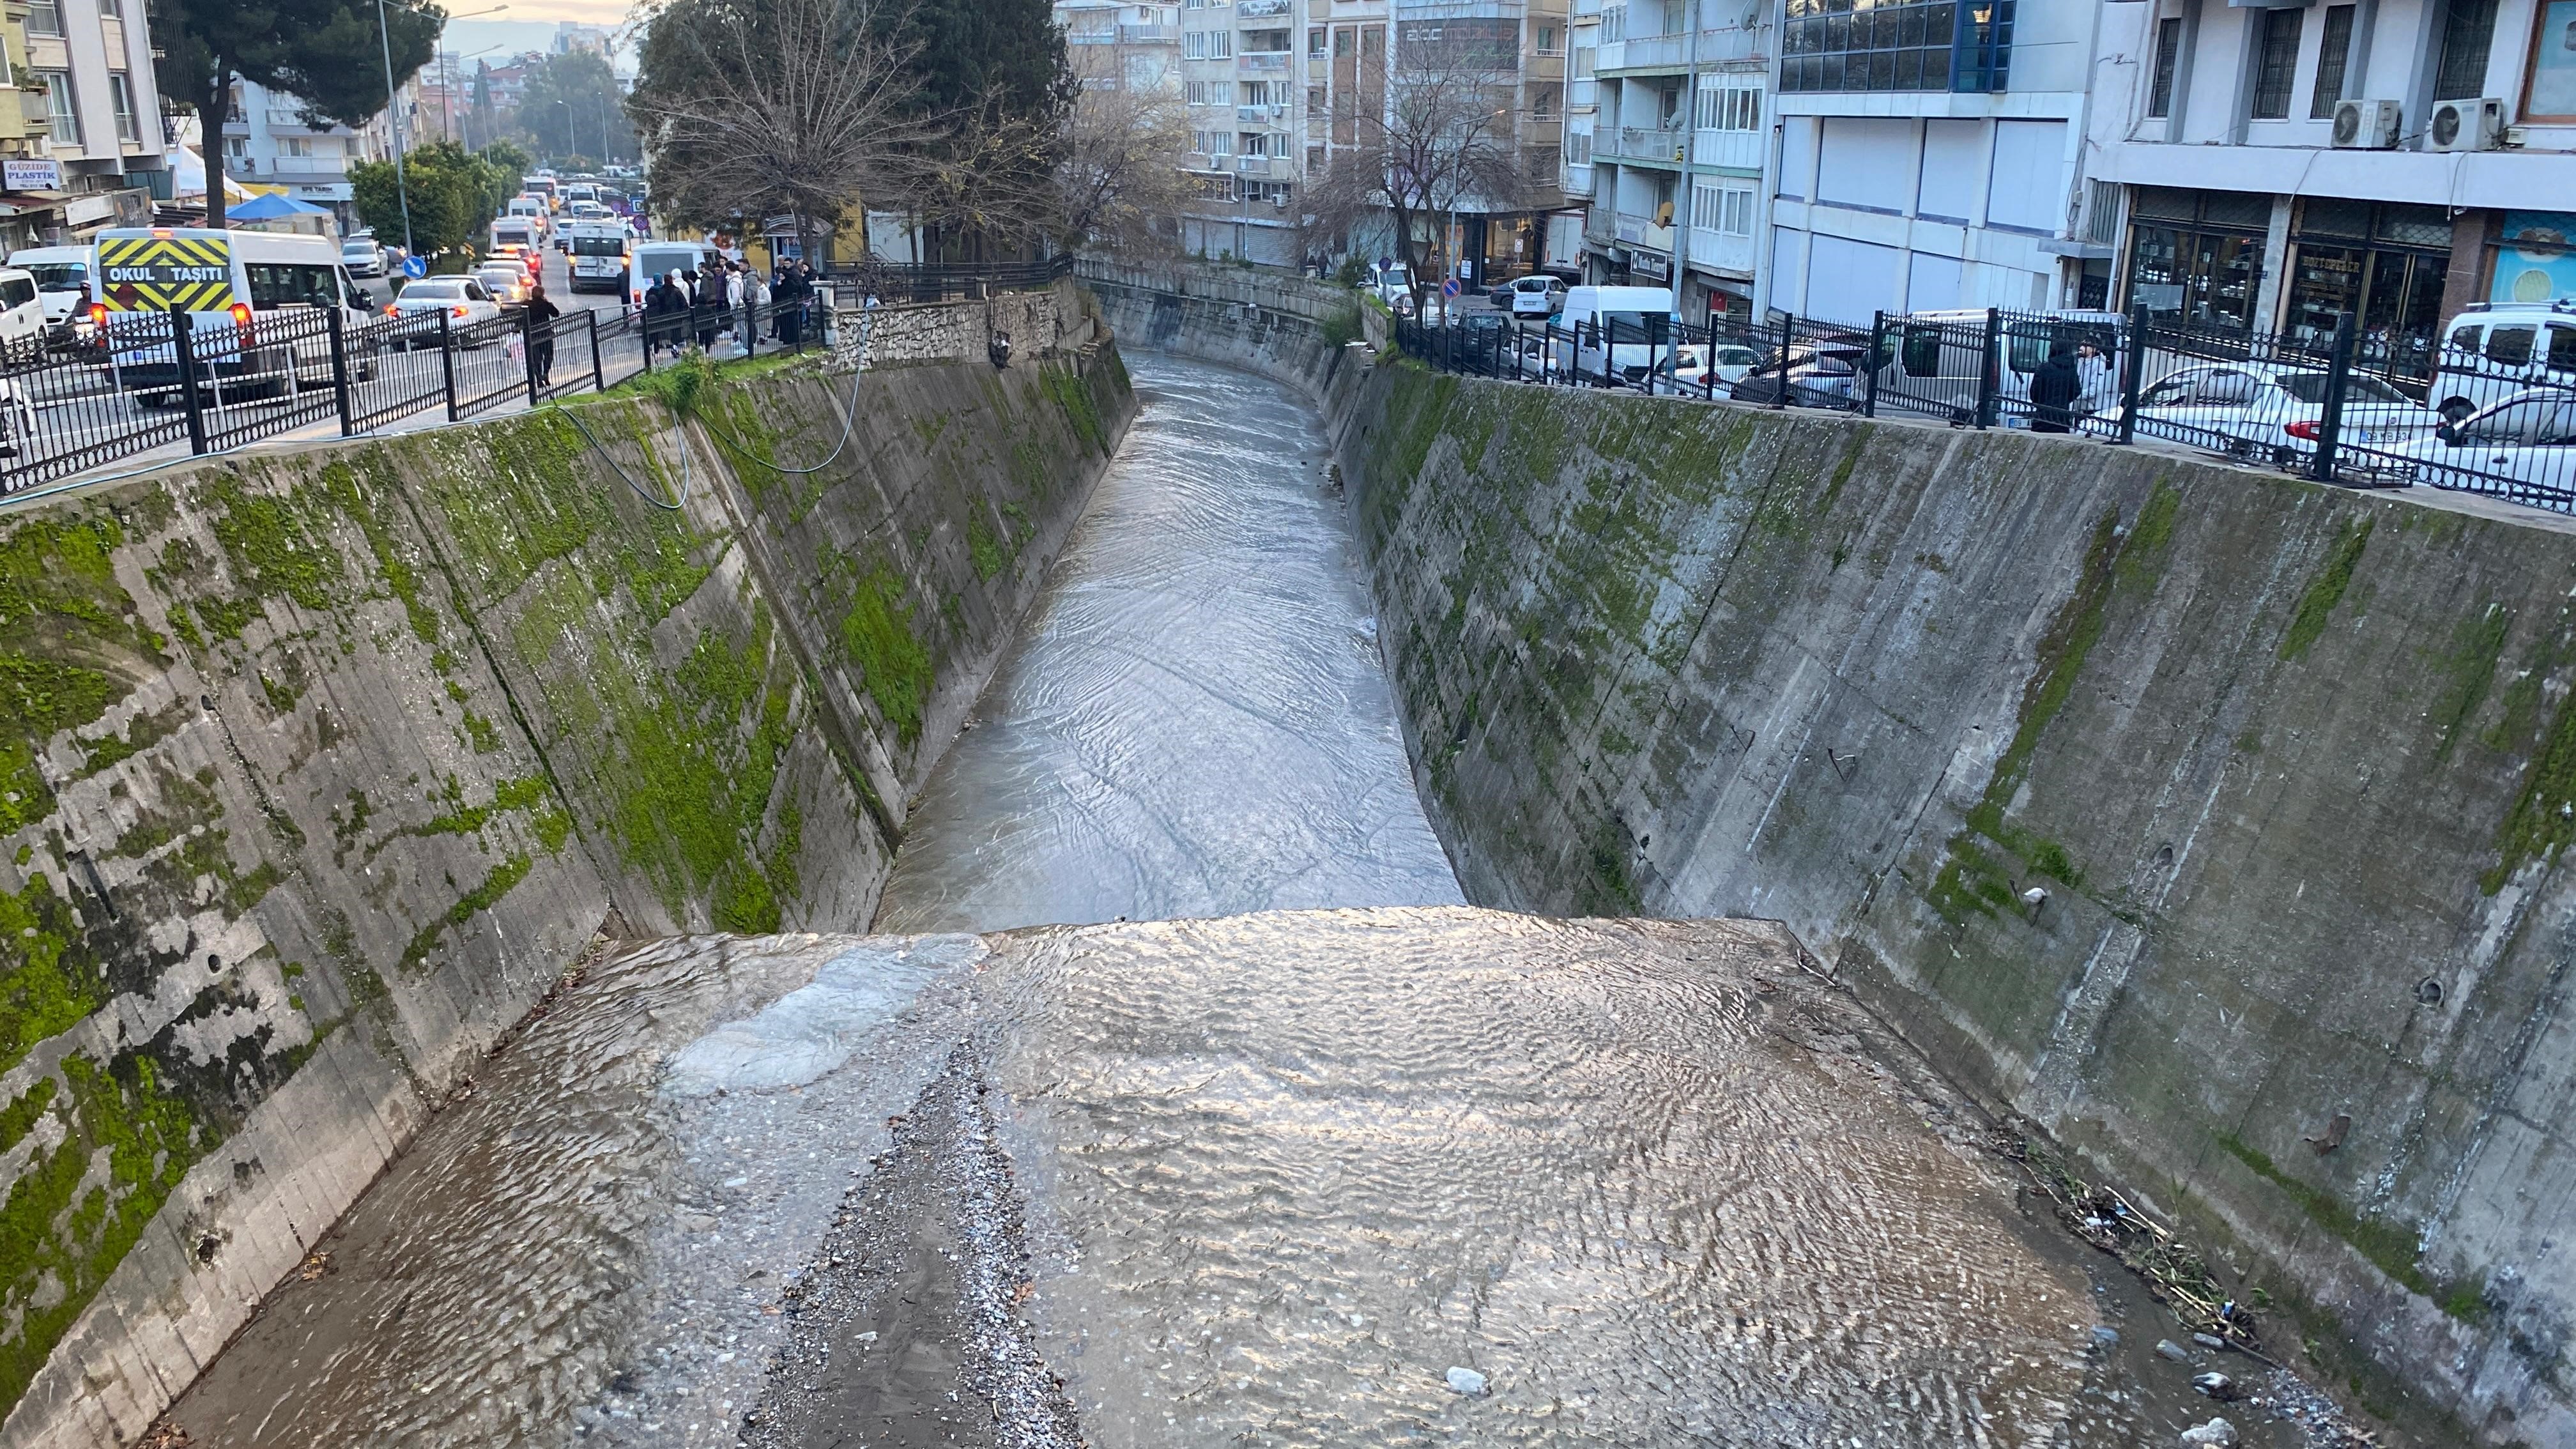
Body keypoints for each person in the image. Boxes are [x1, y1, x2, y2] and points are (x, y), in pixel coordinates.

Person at [2029, 341, 2083, 434]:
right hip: (2062, 418)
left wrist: (2040, 402)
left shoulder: (2043, 368)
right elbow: (2076, 390)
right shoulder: (2071, 369)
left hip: (2043, 417)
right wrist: (2065, 399)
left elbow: (2034, 392)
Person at [522, 280, 562, 387]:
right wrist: (548, 303)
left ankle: (539, 380)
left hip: (533, 335)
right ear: (543, 294)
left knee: (536, 358)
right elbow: (556, 314)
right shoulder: (546, 304)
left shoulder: (526, 305)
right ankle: (546, 373)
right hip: (546, 334)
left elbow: (521, 318)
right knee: (548, 356)